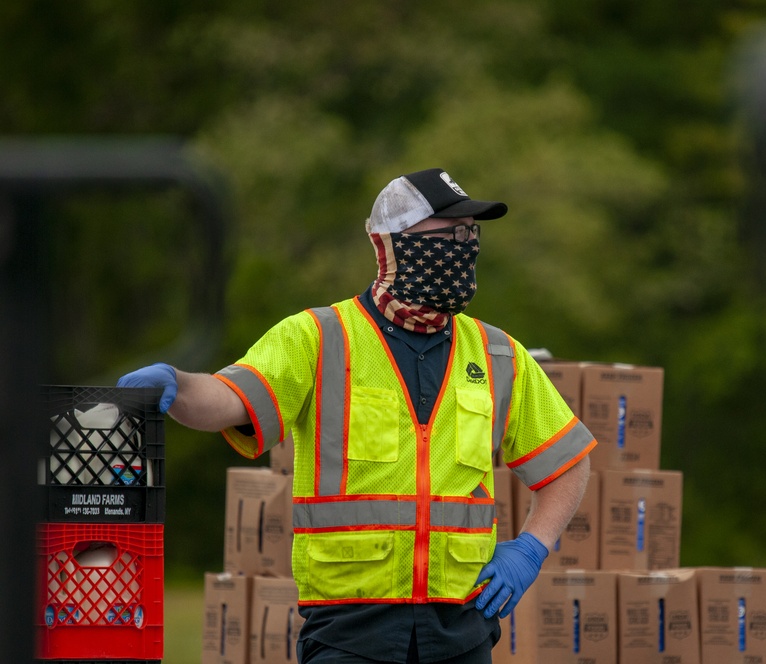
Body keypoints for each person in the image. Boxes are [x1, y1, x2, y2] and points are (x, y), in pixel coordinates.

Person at [118, 167, 595, 663]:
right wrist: (179, 383)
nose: (464, 245)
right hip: (348, 633)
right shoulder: (317, 337)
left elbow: (567, 461)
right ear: (388, 244)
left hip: (463, 632)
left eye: (470, 233)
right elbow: (229, 399)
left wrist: (530, 549)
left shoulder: (499, 354)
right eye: (448, 233)